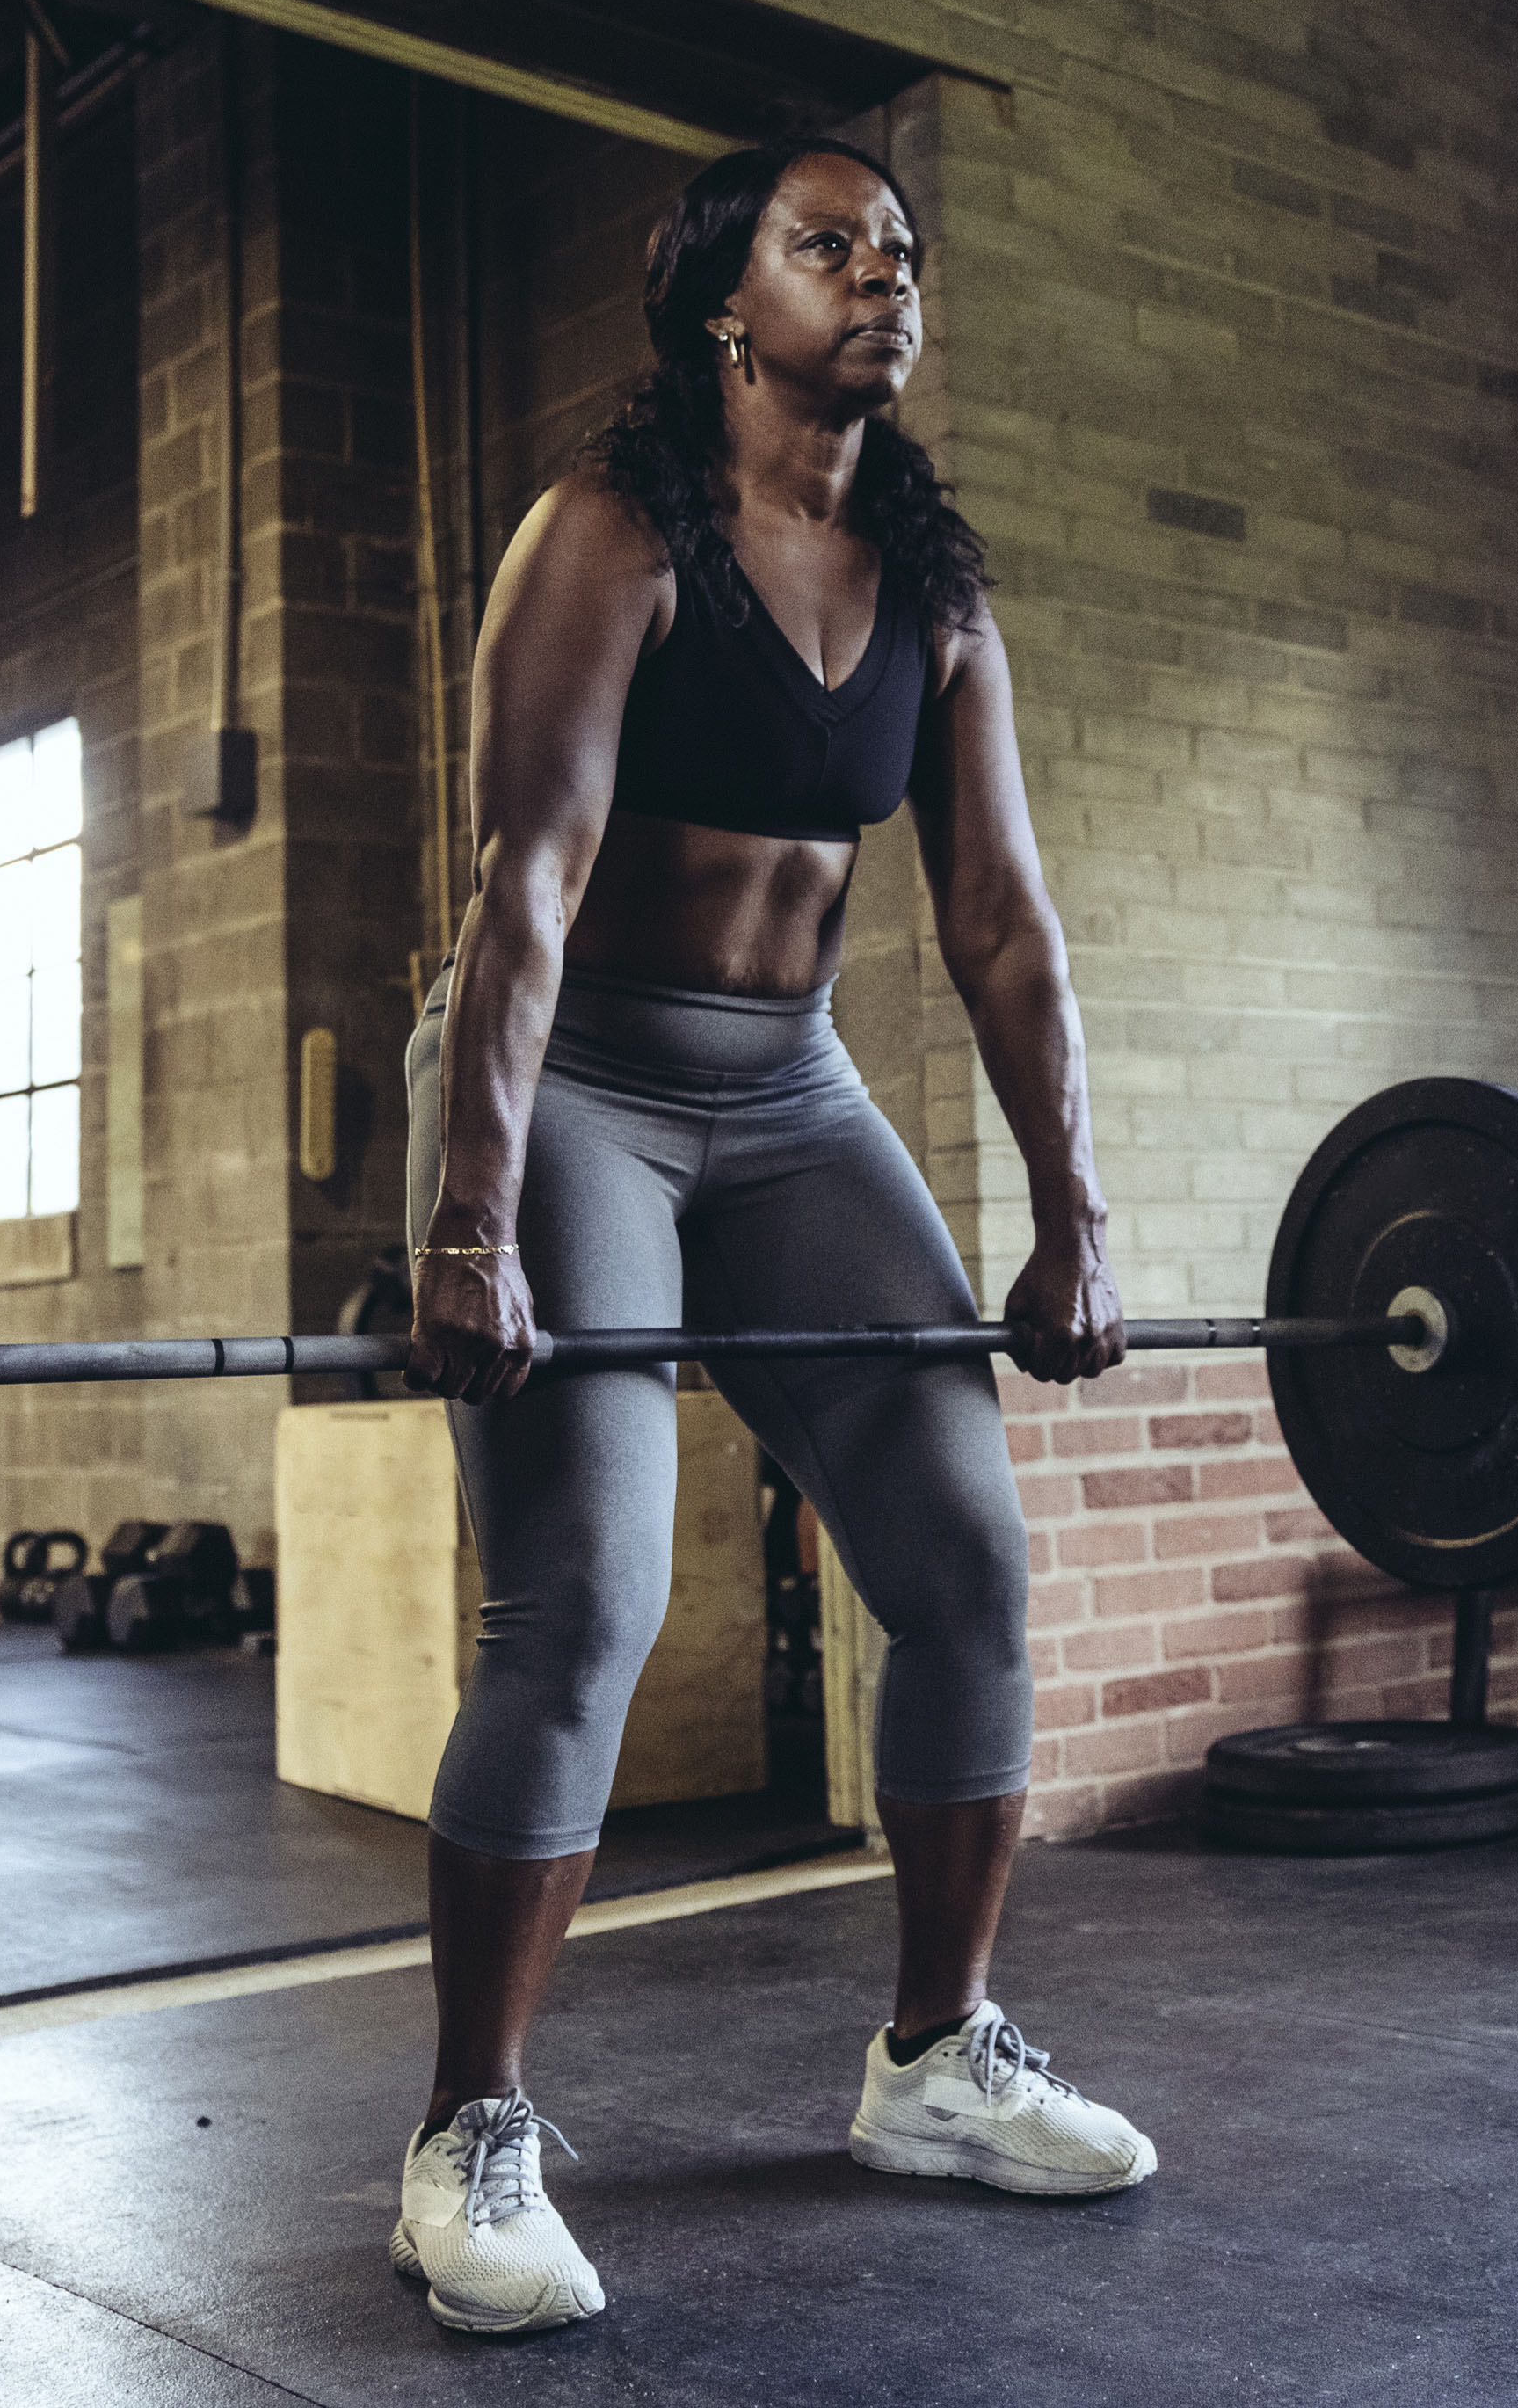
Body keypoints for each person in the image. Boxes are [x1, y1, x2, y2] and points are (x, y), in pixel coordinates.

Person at [390, 138, 1157, 2335]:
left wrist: (1070, 1216)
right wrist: (470, 1219)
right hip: (577, 1083)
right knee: (588, 1602)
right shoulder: (612, 530)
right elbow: (522, 885)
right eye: (830, 245)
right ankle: (467, 2132)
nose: (881, 277)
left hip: (789, 1081)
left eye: (903, 248)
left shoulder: (929, 578)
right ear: (724, 304)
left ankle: (932, 2057)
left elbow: (1001, 921)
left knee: (966, 1562)